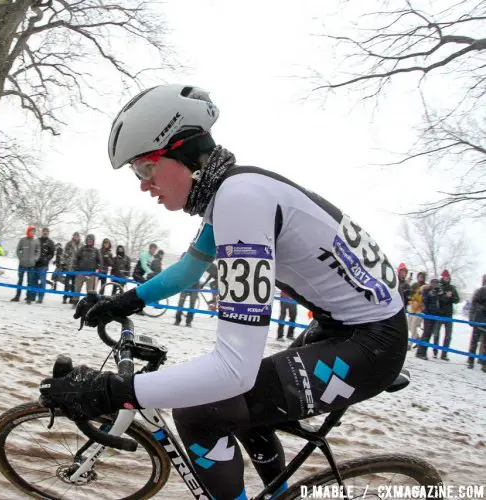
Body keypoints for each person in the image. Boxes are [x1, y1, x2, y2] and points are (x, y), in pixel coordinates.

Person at [39, 84, 408, 500]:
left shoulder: (240, 201)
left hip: (370, 345)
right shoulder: (234, 191)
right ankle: (280, 494)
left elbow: (234, 368)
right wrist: (122, 302)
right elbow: (187, 271)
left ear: (182, 153)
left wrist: (113, 391)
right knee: (242, 409)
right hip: (346, 329)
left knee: (201, 412)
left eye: (144, 169)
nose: (143, 185)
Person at [430, 269, 459, 361]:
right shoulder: (439, 286)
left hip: (448, 315)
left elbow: (457, 299)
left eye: (447, 277)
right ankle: (435, 352)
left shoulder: (452, 288)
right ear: (442, 277)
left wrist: (451, 297)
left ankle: (444, 354)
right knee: (436, 334)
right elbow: (438, 298)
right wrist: (446, 297)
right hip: (439, 313)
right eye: (445, 277)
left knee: (448, 335)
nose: (446, 278)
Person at [416, 277, 444, 360]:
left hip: (435, 315)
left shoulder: (438, 292)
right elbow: (425, 301)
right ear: (431, 284)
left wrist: (440, 294)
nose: (435, 285)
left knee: (428, 334)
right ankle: (420, 352)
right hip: (428, 315)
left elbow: (441, 302)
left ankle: (423, 352)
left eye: (437, 283)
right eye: (434, 283)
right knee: (426, 333)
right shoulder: (427, 291)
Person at [12, 225, 40, 303]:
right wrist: (21, 258)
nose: (33, 233)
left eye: (34, 231)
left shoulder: (36, 241)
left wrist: (35, 259)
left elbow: (38, 252)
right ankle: (17, 296)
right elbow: (18, 250)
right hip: (22, 264)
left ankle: (28, 298)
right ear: (28, 231)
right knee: (20, 281)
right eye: (31, 231)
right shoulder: (22, 240)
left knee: (30, 282)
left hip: (31, 265)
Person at [72, 234, 102, 305]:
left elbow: (100, 261)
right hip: (80, 273)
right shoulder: (81, 249)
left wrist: (98, 269)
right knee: (77, 289)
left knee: (90, 290)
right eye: (88, 240)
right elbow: (75, 259)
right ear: (86, 240)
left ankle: (89, 303)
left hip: (91, 274)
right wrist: (75, 268)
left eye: (91, 240)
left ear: (93, 241)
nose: (89, 241)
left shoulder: (96, 250)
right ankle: (75, 302)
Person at [174, 252, 199, 327]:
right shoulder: (184, 258)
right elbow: (179, 270)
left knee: (192, 304)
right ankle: (177, 320)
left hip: (194, 285)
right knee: (181, 303)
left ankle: (188, 322)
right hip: (185, 285)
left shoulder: (197, 260)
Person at [468, 274, 486, 371]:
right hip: (479, 319)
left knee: (484, 344)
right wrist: (472, 318)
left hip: (482, 320)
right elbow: (474, 304)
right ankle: (471, 360)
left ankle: (484, 363)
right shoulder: (480, 291)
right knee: (474, 342)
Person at [34, 227, 55, 304]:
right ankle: (33, 295)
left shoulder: (50, 242)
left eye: (46, 231)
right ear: (41, 232)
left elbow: (52, 253)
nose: (45, 233)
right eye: (44, 231)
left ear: (48, 233)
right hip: (35, 264)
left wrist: (46, 259)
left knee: (43, 282)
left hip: (43, 265)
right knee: (34, 281)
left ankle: (40, 297)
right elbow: (34, 250)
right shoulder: (37, 240)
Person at [407, 272, 426, 344]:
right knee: (409, 325)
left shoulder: (425, 286)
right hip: (412, 308)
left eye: (422, 277)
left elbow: (426, 298)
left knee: (414, 325)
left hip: (419, 309)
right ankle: (417, 338)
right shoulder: (414, 285)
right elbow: (409, 293)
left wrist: (420, 303)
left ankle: (410, 343)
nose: (420, 278)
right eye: (419, 276)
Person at [62, 232, 81, 304]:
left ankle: (72, 298)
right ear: (73, 236)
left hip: (76, 268)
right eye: (75, 235)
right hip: (68, 267)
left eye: (77, 236)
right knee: (67, 283)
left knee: (74, 284)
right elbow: (64, 254)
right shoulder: (69, 244)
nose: (76, 237)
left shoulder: (80, 245)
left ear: (79, 237)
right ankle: (65, 297)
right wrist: (64, 264)